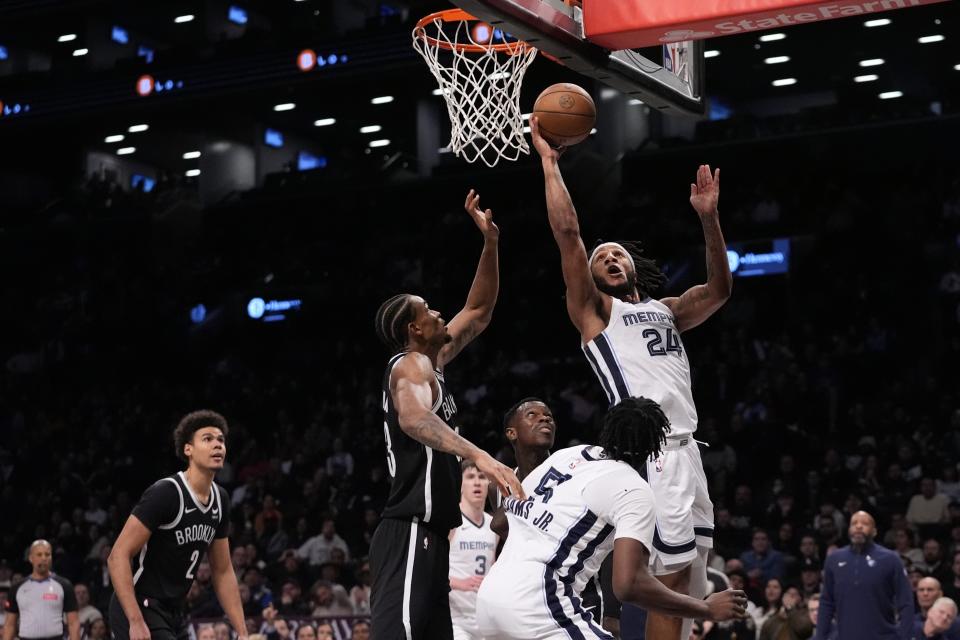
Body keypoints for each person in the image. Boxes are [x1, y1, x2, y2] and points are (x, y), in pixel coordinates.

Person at [530, 116, 733, 640]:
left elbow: (719, 290)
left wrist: (708, 219)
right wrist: (551, 164)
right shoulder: (596, 314)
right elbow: (568, 234)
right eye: (602, 257)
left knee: (688, 586)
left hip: (690, 451)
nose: (611, 257)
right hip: (655, 452)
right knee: (665, 581)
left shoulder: (667, 308)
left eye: (618, 252)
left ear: (634, 265)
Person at [370, 189, 523, 640]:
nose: (440, 313)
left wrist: (490, 243)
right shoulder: (409, 365)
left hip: (435, 534)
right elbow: (414, 420)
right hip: (408, 529)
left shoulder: (432, 361)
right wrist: (483, 457)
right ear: (414, 329)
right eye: (429, 311)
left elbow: (479, 310)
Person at [475, 397, 747, 640]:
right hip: (538, 606)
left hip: (489, 602)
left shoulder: (567, 455)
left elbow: (502, 519)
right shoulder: (634, 488)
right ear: (654, 448)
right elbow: (629, 584)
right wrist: (706, 608)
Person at [107, 410, 247, 640]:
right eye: (207, 439)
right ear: (187, 449)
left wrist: (242, 632)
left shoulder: (220, 499)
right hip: (140, 604)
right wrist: (135, 620)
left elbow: (222, 570)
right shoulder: (166, 493)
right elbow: (117, 555)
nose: (217, 445)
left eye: (221, 440)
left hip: (174, 611)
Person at [814, 510, 915, 639]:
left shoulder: (891, 559)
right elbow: (826, 602)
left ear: (874, 531)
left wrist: (905, 637)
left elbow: (906, 603)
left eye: (865, 523)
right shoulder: (834, 559)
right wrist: (820, 637)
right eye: (854, 523)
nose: (858, 526)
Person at [449, 461, 498, 640]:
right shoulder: (450, 523)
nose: (477, 482)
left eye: (482, 477)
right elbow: (428, 571)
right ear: (460, 485)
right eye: (470, 477)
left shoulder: (494, 524)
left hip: (486, 616)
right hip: (457, 619)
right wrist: (459, 583)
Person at [2, 540, 80, 640]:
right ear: (30, 558)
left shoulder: (64, 585)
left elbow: (73, 623)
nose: (44, 558)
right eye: (39, 554)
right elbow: (10, 625)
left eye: (47, 554)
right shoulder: (17, 588)